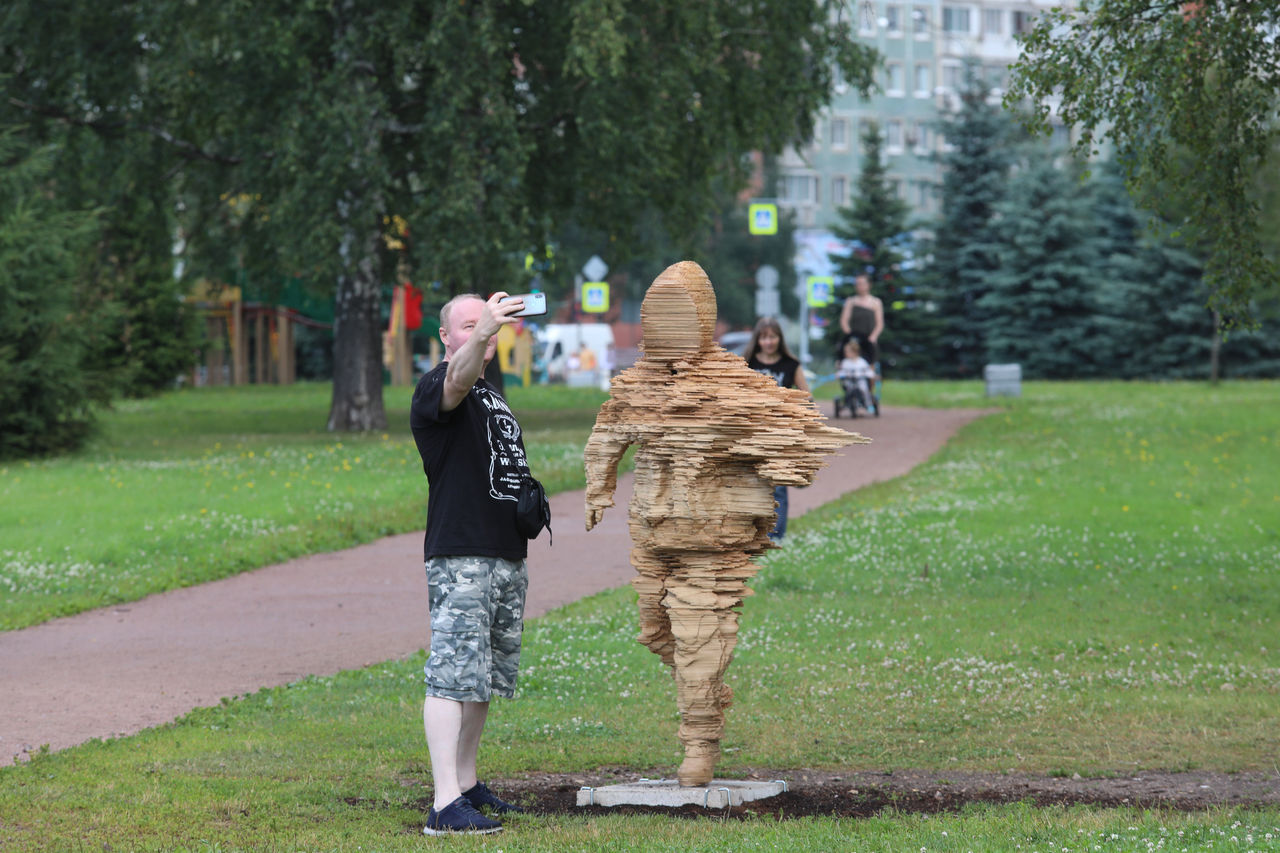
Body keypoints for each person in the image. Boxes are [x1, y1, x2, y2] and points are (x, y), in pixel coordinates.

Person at [585, 262, 861, 787]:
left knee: (697, 638)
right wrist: (600, 483)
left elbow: (797, 435)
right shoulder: (636, 383)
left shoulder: (735, 386)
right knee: (657, 632)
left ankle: (699, 739)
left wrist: (780, 459)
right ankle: (706, 693)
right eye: (655, 315)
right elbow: (608, 431)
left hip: (711, 540)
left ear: (702, 319)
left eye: (676, 314)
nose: (663, 327)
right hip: (653, 532)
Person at [409, 291, 533, 836]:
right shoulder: (439, 385)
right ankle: (442, 805)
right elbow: (457, 380)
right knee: (451, 677)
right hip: (461, 554)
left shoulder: (490, 393)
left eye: (485, 322)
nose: (481, 330)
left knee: (481, 679)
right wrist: (483, 329)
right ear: (446, 336)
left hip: (503, 555)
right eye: (467, 324)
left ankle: (465, 784)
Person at [743, 316, 809, 540]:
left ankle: (775, 537)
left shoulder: (791, 365)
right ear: (757, 340)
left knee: (778, 486)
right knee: (752, 483)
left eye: (772, 337)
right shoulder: (747, 364)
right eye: (764, 337)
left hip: (782, 435)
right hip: (752, 434)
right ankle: (751, 534)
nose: (768, 342)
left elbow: (806, 399)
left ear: (779, 338)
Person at [839, 273, 884, 373]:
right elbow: (844, 321)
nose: (859, 286)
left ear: (868, 285)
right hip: (854, 339)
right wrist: (851, 336)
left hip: (869, 339)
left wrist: (873, 337)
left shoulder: (875, 302)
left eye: (862, 283)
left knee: (870, 368)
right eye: (857, 284)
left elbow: (879, 323)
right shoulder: (851, 301)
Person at [837, 338, 876, 414]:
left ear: (854, 352)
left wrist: (871, 374)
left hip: (860, 381)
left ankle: (869, 404)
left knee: (864, 390)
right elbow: (842, 371)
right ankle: (845, 404)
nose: (845, 353)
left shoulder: (862, 362)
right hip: (849, 381)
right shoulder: (845, 362)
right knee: (848, 391)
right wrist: (839, 374)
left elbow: (867, 370)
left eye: (847, 352)